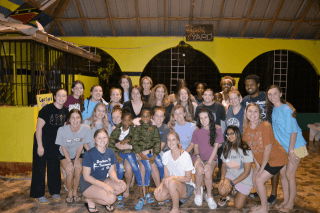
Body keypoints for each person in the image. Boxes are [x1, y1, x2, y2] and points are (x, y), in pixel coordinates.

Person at [266, 85, 308, 212]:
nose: (272, 96)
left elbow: (294, 132)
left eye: (275, 93)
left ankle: (290, 204)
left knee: (290, 175)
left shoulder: (286, 110)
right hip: (285, 148)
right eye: (269, 94)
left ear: (280, 94)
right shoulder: (274, 109)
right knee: (283, 174)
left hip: (296, 147)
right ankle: (285, 200)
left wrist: (290, 151)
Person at [242, 103, 288, 213]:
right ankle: (264, 203)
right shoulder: (247, 129)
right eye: (250, 111)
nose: (252, 113)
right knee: (255, 178)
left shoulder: (265, 126)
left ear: (259, 113)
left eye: (255, 111)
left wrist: (261, 169)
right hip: (264, 160)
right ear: (246, 113)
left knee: (259, 180)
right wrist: (257, 167)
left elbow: (267, 150)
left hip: (277, 158)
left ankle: (264, 208)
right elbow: (253, 150)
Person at [30, 88, 69, 204]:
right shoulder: (46, 109)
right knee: (40, 168)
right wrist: (40, 146)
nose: (61, 98)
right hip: (41, 140)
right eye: (59, 95)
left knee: (54, 166)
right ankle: (38, 193)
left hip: (55, 143)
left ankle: (55, 191)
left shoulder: (66, 111)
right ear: (55, 97)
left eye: (64, 96)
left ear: (66, 98)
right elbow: (38, 128)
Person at [80, 129, 126, 212]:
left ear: (108, 138)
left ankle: (103, 198)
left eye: (104, 137)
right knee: (111, 199)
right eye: (99, 138)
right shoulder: (89, 154)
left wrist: (116, 180)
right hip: (88, 184)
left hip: (102, 180)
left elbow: (112, 171)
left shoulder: (111, 152)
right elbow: (86, 177)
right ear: (94, 139)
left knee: (122, 186)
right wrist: (105, 186)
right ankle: (90, 200)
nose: (102, 140)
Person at [187, 108, 224, 209]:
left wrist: (209, 163)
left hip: (211, 157)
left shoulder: (217, 129)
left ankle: (209, 196)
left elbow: (216, 147)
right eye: (201, 118)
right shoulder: (197, 130)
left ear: (210, 117)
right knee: (199, 170)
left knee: (207, 172)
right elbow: (195, 146)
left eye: (205, 117)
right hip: (199, 156)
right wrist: (198, 157)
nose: (203, 120)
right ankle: (198, 192)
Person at [108, 108, 144, 207]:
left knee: (135, 168)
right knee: (119, 171)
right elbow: (111, 143)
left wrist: (127, 141)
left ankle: (142, 195)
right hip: (119, 154)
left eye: (129, 120)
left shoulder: (133, 129)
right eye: (124, 120)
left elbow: (136, 139)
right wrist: (117, 154)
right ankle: (119, 194)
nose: (126, 122)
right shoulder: (116, 130)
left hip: (130, 152)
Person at [55, 109, 92, 203]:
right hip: (64, 153)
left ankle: (75, 191)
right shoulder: (62, 130)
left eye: (77, 117)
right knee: (70, 171)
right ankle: (70, 192)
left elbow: (81, 144)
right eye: (73, 118)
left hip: (77, 153)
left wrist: (76, 160)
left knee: (78, 169)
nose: (75, 120)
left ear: (81, 119)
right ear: (69, 120)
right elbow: (63, 147)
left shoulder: (86, 129)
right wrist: (69, 162)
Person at [154, 131, 195, 213]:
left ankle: (175, 209)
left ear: (178, 141)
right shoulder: (165, 155)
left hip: (186, 186)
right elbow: (166, 176)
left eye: (173, 140)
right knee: (158, 196)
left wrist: (173, 177)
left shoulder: (185, 156)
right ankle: (177, 197)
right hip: (171, 184)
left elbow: (188, 178)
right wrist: (160, 186)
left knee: (172, 182)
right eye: (168, 140)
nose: (171, 142)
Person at [131, 109, 164, 210]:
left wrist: (154, 155)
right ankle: (144, 194)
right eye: (143, 116)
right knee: (143, 167)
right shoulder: (137, 129)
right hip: (140, 153)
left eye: (147, 116)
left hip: (151, 153)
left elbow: (157, 142)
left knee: (155, 166)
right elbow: (134, 142)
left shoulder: (153, 129)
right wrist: (140, 153)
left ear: (150, 118)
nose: (145, 118)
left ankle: (158, 191)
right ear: (141, 118)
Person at [218, 126, 253, 209]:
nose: (230, 136)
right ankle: (225, 196)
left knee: (238, 206)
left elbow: (247, 172)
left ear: (237, 133)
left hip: (244, 179)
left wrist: (232, 183)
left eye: (232, 133)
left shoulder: (245, 149)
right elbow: (223, 166)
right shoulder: (227, 148)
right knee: (221, 190)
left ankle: (237, 191)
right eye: (228, 134)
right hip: (231, 175)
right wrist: (222, 179)